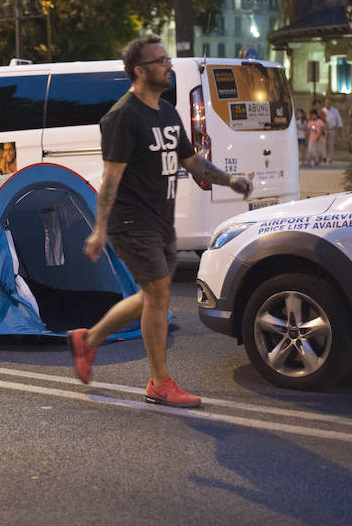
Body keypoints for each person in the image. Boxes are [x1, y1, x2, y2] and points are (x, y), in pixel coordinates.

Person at [66, 35, 253, 409]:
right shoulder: (122, 117)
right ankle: (159, 382)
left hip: (162, 222)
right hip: (132, 222)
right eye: (161, 61)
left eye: (167, 59)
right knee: (159, 295)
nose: (168, 65)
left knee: (150, 297)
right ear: (140, 71)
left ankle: (88, 340)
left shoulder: (166, 112)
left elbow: (193, 162)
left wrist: (230, 180)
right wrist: (101, 229)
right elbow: (111, 178)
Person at [323, 97, 342, 164]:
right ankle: (324, 157)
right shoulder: (323, 111)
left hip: (332, 129)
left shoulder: (335, 111)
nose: (328, 103)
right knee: (324, 144)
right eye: (326, 102)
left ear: (331, 103)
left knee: (330, 144)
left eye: (329, 102)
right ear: (325, 103)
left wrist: (339, 132)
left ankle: (330, 158)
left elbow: (339, 121)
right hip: (324, 130)